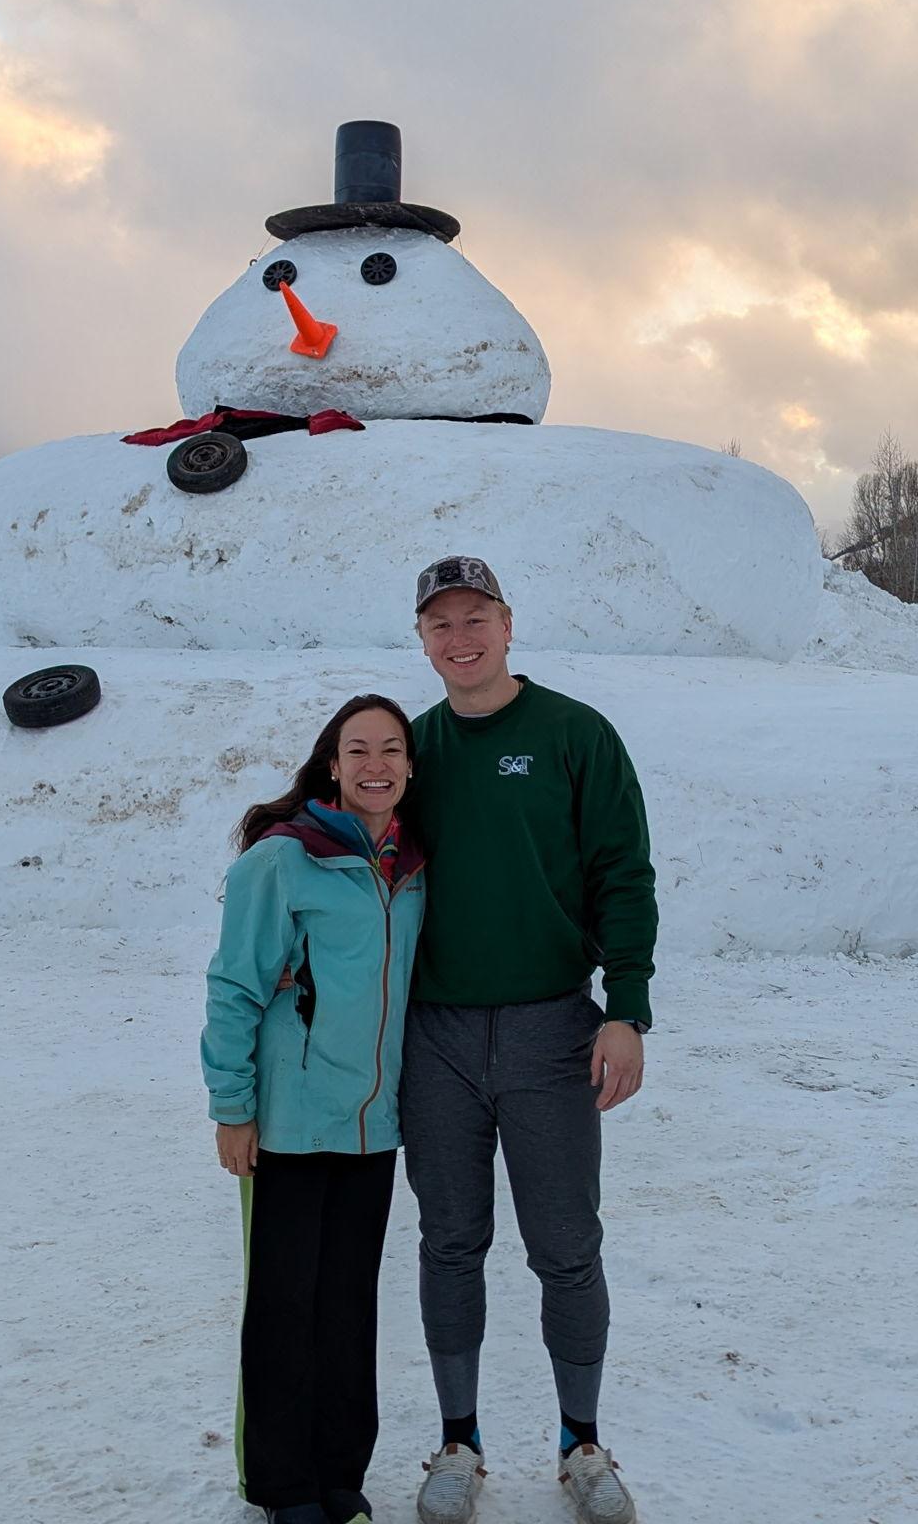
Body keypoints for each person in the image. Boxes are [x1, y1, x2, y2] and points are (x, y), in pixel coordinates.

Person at [401, 557, 656, 1524]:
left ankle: (580, 1443)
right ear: (420, 639)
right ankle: (458, 1441)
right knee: (449, 1240)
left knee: (565, 1245)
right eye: (439, 625)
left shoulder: (573, 735)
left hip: (554, 1028)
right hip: (438, 1039)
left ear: (508, 623)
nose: (459, 639)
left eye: (475, 618)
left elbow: (623, 875)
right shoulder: (412, 751)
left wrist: (623, 1008)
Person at [202, 694, 429, 1524]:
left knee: (348, 1306)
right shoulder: (281, 861)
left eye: (392, 750)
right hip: (289, 1124)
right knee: (283, 1307)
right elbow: (234, 988)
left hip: (373, 1127)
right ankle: (282, 1485)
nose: (376, 765)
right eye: (358, 749)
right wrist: (233, 1107)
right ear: (331, 764)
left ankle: (340, 1474)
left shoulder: (411, 869)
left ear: (410, 766)